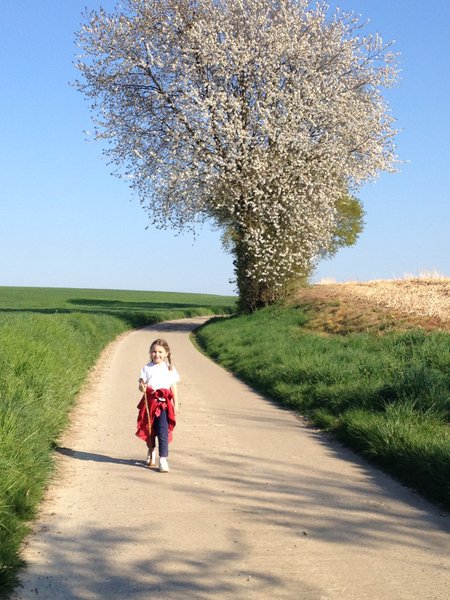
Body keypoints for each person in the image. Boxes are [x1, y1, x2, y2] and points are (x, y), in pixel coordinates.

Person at [135, 338, 180, 473]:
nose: (157, 354)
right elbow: (141, 385)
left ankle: (163, 459)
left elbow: (173, 387)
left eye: (160, 352)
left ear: (166, 353)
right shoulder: (146, 368)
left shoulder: (169, 369)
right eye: (154, 352)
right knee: (149, 429)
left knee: (162, 430)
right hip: (150, 404)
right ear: (150, 353)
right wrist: (142, 388)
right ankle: (151, 450)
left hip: (164, 405)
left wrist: (176, 404)